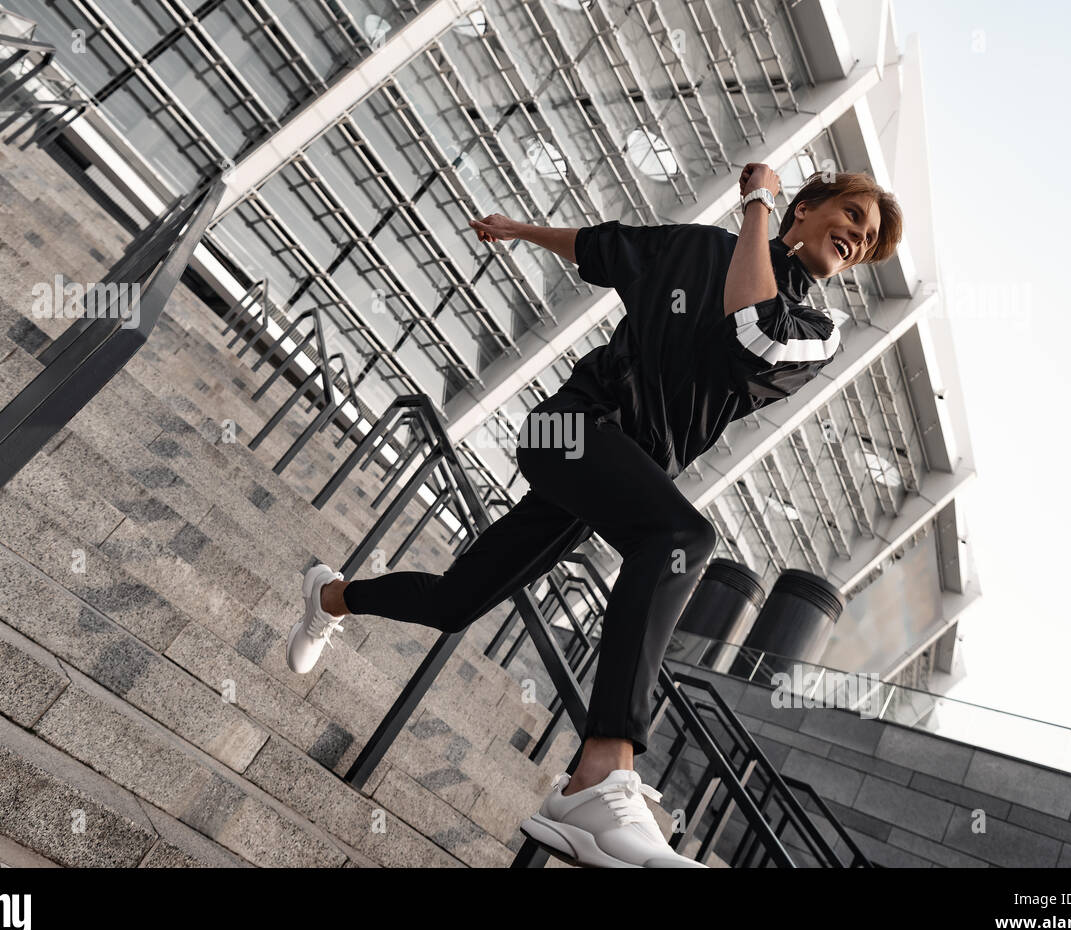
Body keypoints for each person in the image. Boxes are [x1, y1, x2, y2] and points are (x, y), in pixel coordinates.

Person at [287, 164, 903, 867]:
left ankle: (330, 594)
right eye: (854, 216)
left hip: (614, 475)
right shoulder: (698, 247)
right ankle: (600, 772)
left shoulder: (816, 330)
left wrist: (760, 209)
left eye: (871, 237)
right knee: (682, 536)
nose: (860, 235)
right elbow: (604, 247)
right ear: (807, 208)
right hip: (573, 429)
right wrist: (521, 230)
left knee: (457, 602)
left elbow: (752, 333)